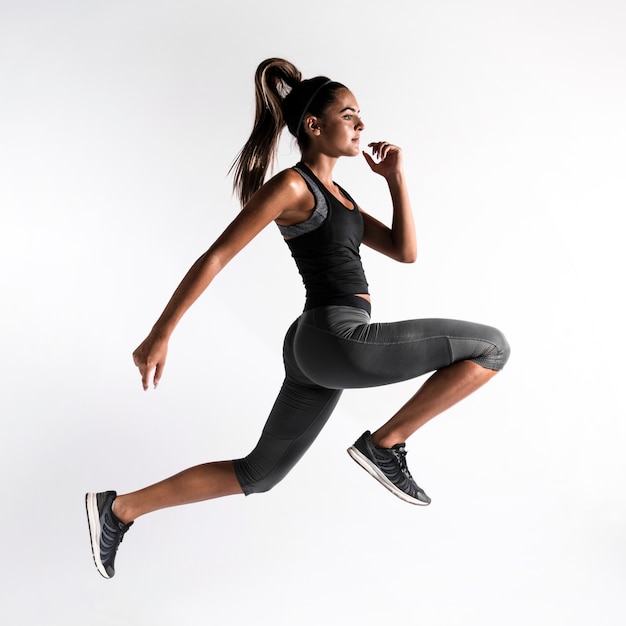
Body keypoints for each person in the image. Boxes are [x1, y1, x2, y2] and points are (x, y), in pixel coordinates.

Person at [86, 58, 510, 579]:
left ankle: (120, 508)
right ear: (314, 125)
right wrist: (161, 331)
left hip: (316, 347)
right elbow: (216, 256)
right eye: (349, 114)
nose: (360, 125)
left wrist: (396, 178)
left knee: (259, 474)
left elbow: (405, 251)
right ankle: (385, 445)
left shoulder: (344, 198)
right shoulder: (292, 186)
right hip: (336, 337)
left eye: (361, 117)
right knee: (491, 348)